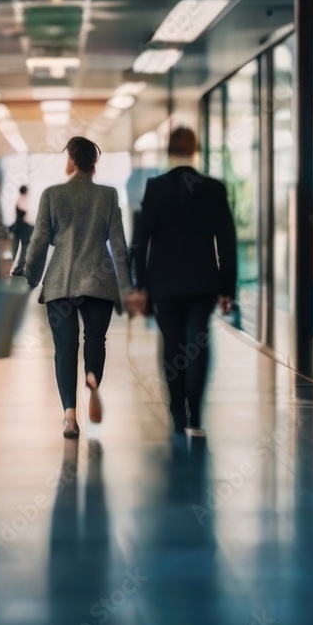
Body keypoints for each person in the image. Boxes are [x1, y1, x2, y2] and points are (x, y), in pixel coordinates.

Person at [128, 127, 237, 437]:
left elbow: (140, 241)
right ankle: (196, 415)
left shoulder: (156, 187)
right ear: (195, 150)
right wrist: (228, 288)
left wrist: (141, 285)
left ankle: (177, 409)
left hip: (163, 284)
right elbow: (226, 242)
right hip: (203, 282)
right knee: (198, 341)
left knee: (173, 344)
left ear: (168, 152)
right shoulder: (213, 188)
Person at [25, 136, 134, 438]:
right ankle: (92, 378)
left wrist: (32, 278)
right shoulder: (108, 196)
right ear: (93, 164)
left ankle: (70, 417)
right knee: (95, 340)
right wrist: (125, 290)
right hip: (99, 282)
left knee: (65, 348)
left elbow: (37, 242)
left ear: (71, 161)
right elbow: (120, 246)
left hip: (61, 282)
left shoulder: (52, 195)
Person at [9, 185, 33, 276]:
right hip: (23, 227)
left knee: (20, 247)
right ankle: (21, 267)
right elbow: (26, 216)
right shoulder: (24, 201)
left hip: (19, 226)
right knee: (24, 248)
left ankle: (20, 266)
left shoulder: (19, 200)